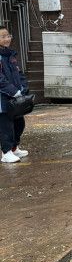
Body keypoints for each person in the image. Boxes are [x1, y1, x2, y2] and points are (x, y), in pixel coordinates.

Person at [0, 26, 29, 164]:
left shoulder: (10, 54)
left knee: (19, 123)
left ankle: (14, 147)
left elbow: (18, 73)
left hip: (15, 97)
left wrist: (23, 87)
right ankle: (6, 152)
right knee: (6, 126)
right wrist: (13, 91)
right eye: (2, 37)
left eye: (8, 36)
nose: (7, 39)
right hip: (2, 98)